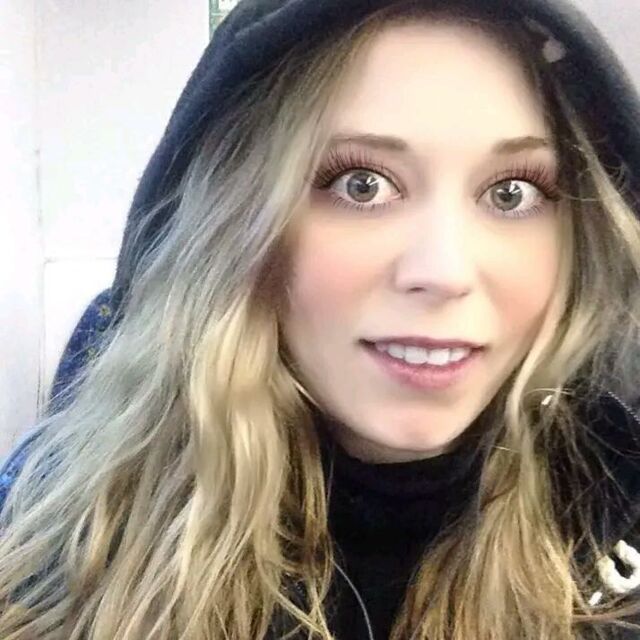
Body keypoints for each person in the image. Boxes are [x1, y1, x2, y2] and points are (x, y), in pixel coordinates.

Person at [1, 0, 640, 638]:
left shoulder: (619, 506)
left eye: (511, 193)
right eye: (362, 184)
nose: (445, 271)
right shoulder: (55, 533)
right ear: (236, 222)